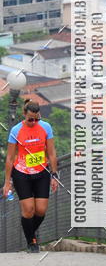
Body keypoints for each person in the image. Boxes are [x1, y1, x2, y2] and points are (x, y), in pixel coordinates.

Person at [3, 99, 59, 252]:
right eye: (30, 119)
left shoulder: (46, 127)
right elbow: (9, 157)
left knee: (40, 210)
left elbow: (52, 153)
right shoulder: (16, 131)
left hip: (41, 172)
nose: (33, 122)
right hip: (22, 173)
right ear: (24, 114)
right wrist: (7, 182)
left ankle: (28, 231)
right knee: (28, 210)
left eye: (36, 119)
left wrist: (54, 175)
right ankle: (31, 242)